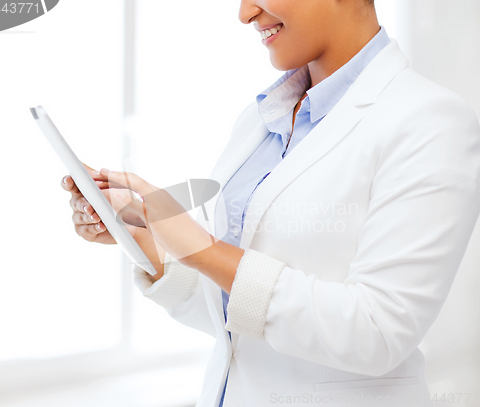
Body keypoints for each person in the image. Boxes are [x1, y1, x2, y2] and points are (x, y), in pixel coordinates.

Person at [61, 0, 480, 406]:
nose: (244, 13)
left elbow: (378, 333)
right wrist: (142, 237)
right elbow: (238, 318)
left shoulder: (430, 121)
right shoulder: (264, 118)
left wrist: (202, 249)